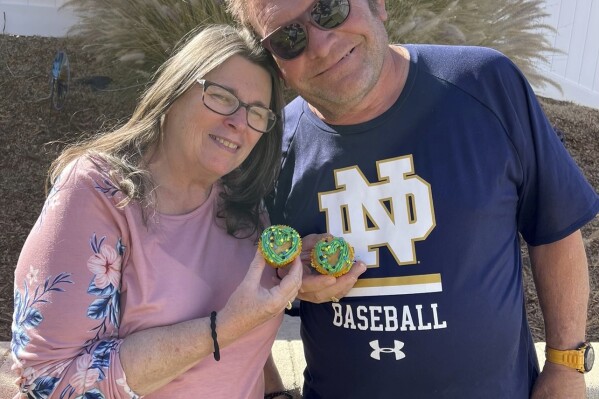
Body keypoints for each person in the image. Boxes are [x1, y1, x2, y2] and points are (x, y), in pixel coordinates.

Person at [224, 0, 599, 397]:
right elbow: (236, 295)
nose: (320, 43)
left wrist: (566, 365)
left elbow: (553, 228)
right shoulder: (271, 152)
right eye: (288, 37)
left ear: (377, 5)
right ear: (274, 62)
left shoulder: (485, 84)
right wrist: (292, 279)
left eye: (329, 8)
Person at [11, 24, 302, 399]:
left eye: (257, 113)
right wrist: (220, 329)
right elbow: (47, 382)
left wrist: (275, 391)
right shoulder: (97, 194)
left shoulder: (242, 203)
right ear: (175, 88)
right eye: (221, 97)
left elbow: (248, 328)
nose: (239, 122)